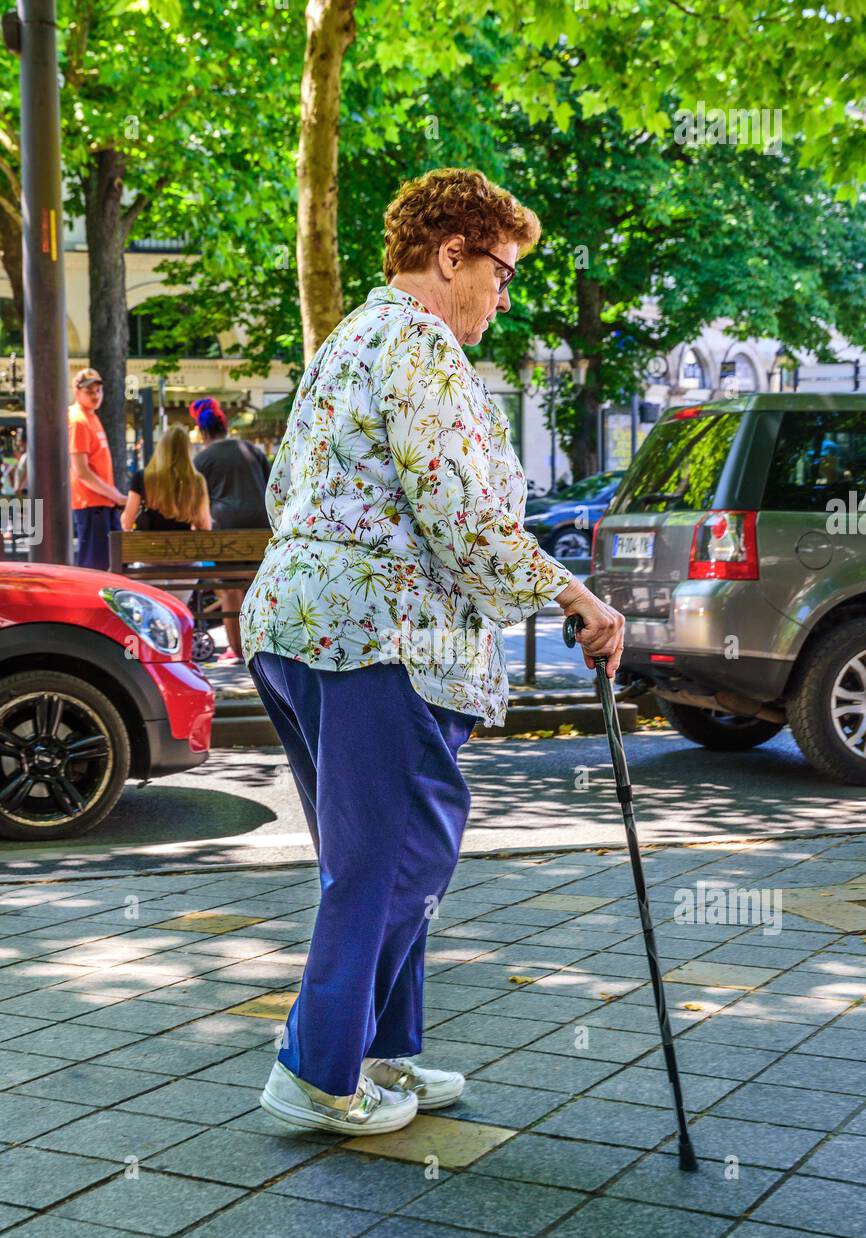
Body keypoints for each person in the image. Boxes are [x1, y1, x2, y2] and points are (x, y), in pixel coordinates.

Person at [239, 167, 626, 1138]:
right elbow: (466, 515)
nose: (504, 293)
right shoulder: (420, 347)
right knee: (400, 851)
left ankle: (382, 1054)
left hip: (294, 625)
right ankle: (314, 1068)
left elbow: (288, 485)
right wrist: (574, 596)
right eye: (499, 272)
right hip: (381, 639)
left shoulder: (349, 340)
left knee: (367, 854)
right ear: (449, 254)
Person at [189, 397, 270, 664]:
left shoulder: (203, 459)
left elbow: (195, 500)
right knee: (255, 586)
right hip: (262, 527)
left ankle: (236, 650)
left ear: (203, 432)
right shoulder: (252, 449)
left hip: (226, 530)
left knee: (229, 589)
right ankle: (260, 646)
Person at [120, 425, 212, 607]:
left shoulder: (142, 478)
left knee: (152, 608)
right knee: (177, 608)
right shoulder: (197, 481)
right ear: (187, 450)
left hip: (149, 562)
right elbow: (205, 526)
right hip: (186, 563)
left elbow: (126, 523)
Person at [68, 367, 127, 570]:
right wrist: (116, 496)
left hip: (102, 504)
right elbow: (82, 472)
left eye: (98, 390)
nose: (95, 395)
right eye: (89, 391)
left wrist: (113, 497)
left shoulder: (90, 417)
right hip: (91, 505)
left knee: (108, 564)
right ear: (76, 392)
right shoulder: (79, 421)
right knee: (96, 567)